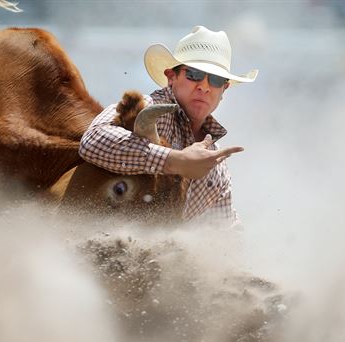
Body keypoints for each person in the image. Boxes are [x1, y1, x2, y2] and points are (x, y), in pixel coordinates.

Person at [79, 25, 258, 226]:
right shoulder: (148, 109)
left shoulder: (217, 167)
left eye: (215, 80)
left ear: (224, 89)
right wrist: (177, 161)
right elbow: (92, 140)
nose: (204, 86)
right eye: (194, 74)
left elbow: (226, 231)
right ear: (171, 77)